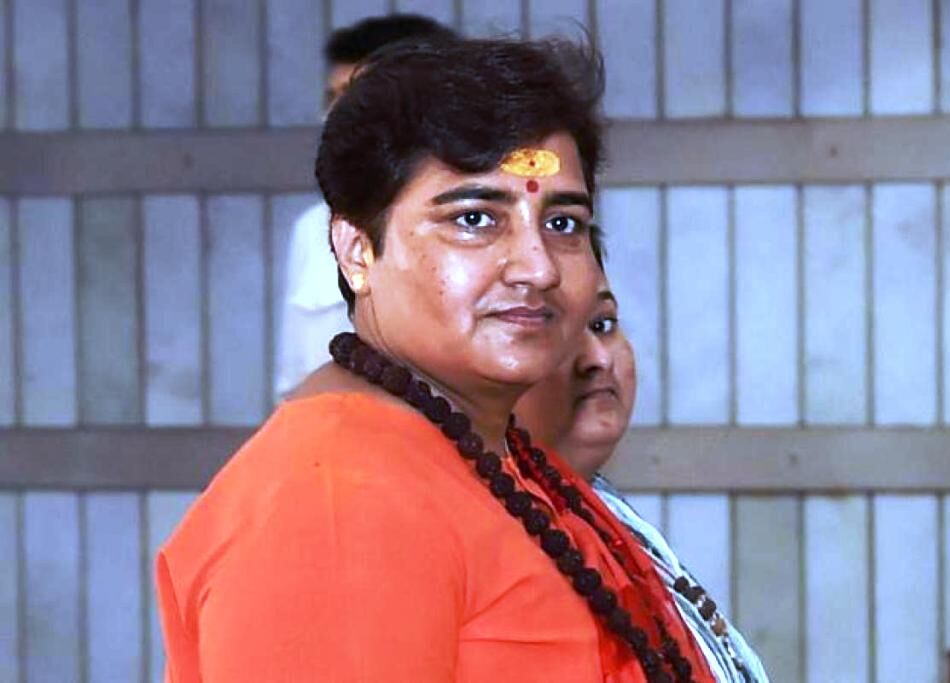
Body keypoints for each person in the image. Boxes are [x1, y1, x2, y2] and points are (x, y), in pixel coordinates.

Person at [156, 36, 715, 682]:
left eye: (563, 223)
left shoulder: (493, 454)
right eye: (475, 219)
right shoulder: (337, 504)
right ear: (357, 251)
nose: (537, 268)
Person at [515, 275, 771, 683]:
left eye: (602, 325)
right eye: (553, 330)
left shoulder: (610, 517)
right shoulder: (498, 537)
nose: (596, 358)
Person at [275, 14, 457, 401]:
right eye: (332, 99)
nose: (337, 116)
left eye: (356, 96)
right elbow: (292, 382)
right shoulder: (312, 228)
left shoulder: (472, 222)